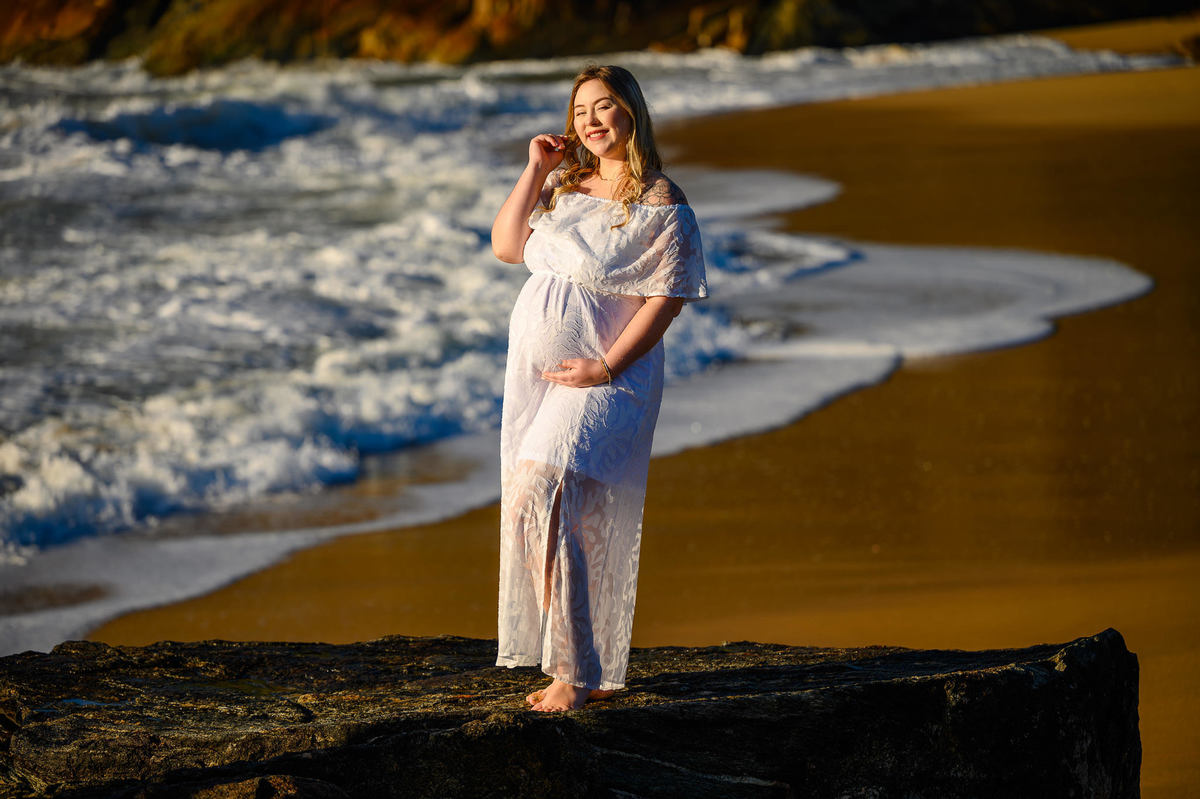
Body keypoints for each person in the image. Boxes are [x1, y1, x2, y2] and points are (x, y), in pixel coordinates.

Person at [490, 64, 707, 712]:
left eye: (604, 106)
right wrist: (535, 168)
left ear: (630, 111)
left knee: (542, 493)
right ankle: (584, 663)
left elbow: (668, 297)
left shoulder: (660, 199)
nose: (590, 120)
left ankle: (573, 672)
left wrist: (606, 366)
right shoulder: (565, 185)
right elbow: (507, 246)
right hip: (542, 379)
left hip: (613, 375)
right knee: (538, 510)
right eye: (580, 110)